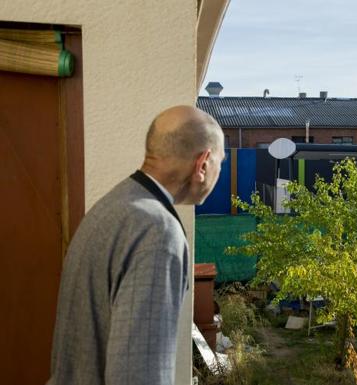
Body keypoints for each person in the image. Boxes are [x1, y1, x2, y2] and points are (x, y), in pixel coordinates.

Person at [47, 105, 225, 385]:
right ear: (202, 164)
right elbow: (137, 374)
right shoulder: (157, 231)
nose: (219, 171)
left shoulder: (113, 206)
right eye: (220, 162)